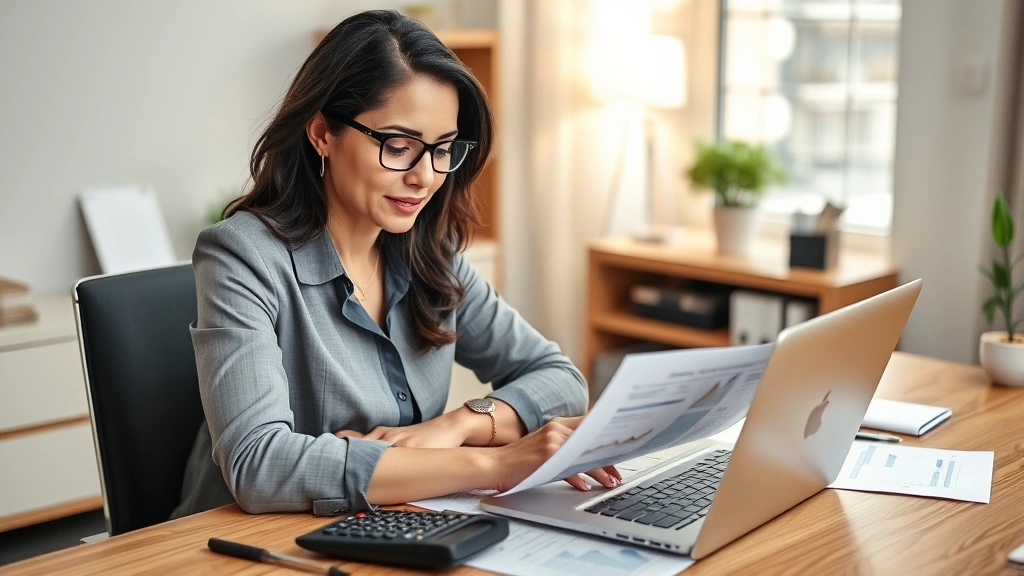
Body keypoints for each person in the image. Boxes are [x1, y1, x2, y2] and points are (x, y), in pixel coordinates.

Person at [171, 10, 619, 519]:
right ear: (322, 133)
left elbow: (558, 377)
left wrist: (457, 427)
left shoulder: (431, 252)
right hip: (239, 546)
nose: (426, 177)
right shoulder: (243, 255)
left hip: (391, 525)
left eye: (443, 150)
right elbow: (260, 465)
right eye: (399, 146)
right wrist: (494, 465)